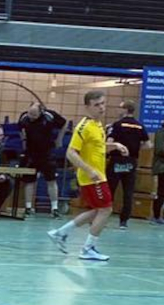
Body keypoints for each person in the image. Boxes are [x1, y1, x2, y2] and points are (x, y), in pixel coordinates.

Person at [48, 90, 116, 262]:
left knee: (97, 210)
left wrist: (115, 145)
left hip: (99, 176)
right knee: (106, 209)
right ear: (87, 107)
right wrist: (89, 170)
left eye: (103, 103)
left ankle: (60, 233)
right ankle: (87, 249)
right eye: (96, 105)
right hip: (92, 178)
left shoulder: (98, 125)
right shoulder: (83, 127)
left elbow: (96, 148)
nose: (101, 108)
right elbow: (71, 153)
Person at [18, 100, 66, 216]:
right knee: (29, 181)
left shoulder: (50, 116)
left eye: (34, 115)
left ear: (41, 112)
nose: (31, 117)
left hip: (47, 152)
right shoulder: (24, 117)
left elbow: (64, 124)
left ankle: (54, 208)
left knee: (51, 180)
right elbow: (20, 128)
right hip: (31, 153)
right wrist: (23, 140)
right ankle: (28, 207)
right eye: (30, 114)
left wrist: (59, 139)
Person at [105, 100, 148, 230]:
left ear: (125, 110)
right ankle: (123, 221)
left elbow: (109, 142)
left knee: (110, 190)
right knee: (128, 192)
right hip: (131, 161)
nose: (118, 110)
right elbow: (147, 144)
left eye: (120, 107)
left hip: (116, 160)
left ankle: (103, 217)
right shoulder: (140, 126)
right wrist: (135, 148)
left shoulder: (117, 125)